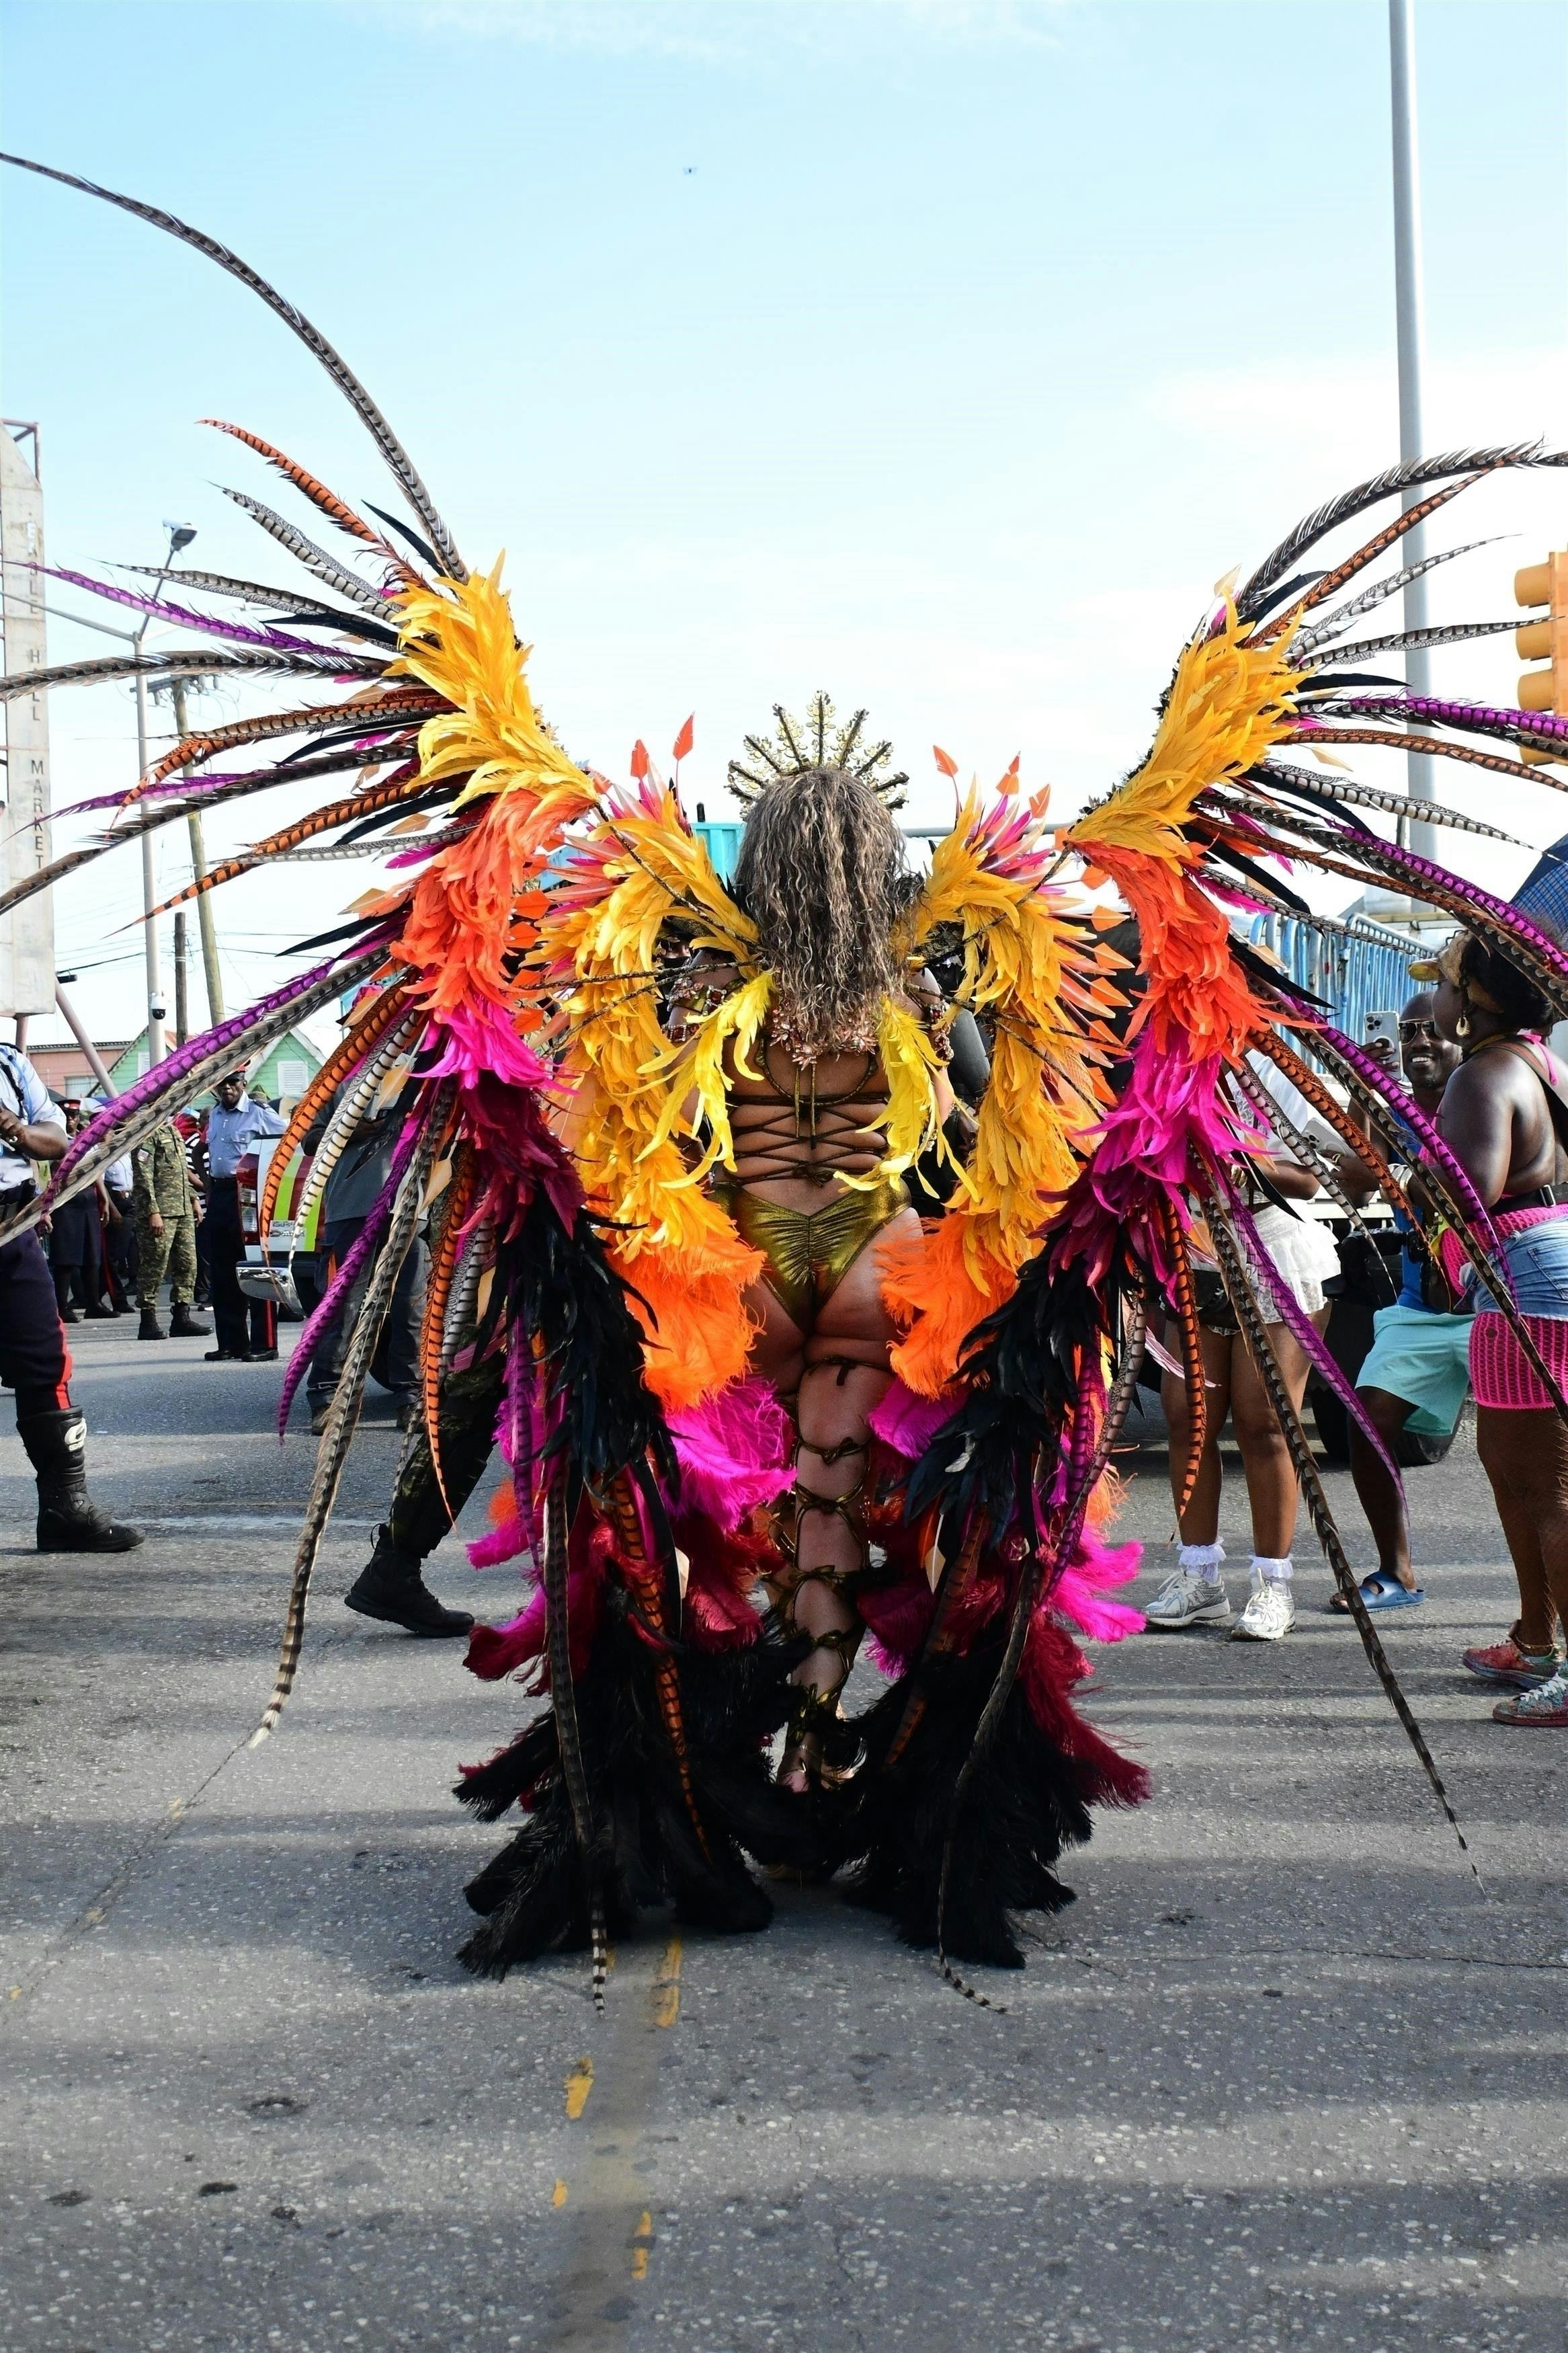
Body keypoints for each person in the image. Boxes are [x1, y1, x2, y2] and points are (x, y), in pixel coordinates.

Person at [1421, 932, 1568, 1727]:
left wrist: (1415, 1170)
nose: (1433, 1003)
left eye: (1441, 986)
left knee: (1544, 1486)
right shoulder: (1541, 1064)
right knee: (1510, 1469)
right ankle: (1534, 1638)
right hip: (1540, 1267)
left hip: (1523, 1280)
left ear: (1474, 999)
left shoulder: (1483, 1071)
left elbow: (1468, 1193)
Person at [1145, 1057, 1342, 1642]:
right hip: (1195, 1251)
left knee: (1264, 1424)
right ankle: (1199, 1577)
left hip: (1275, 1253)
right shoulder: (1161, 1064)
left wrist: (1224, 1156)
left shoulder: (1269, 1071)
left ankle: (1271, 1586)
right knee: (1186, 1418)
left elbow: (1307, 1179)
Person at [1327, 990, 1468, 1611]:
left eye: (1431, 1030)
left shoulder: (1485, 1098)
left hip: (1497, 1304)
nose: (1417, 1043)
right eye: (1407, 1031)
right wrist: (1365, 1089)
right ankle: (1397, 1571)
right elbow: (1358, 1179)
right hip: (1419, 1308)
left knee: (1525, 1455)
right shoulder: (1398, 1116)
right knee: (1368, 1420)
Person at [0, 1043, 141, 1550]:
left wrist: (10, 1126)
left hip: (11, 1227)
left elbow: (55, 1140)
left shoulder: (9, 1063)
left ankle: (64, 1510)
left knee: (45, 1362)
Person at [303, 1084, 427, 1436]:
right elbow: (310, 1141)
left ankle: (410, 1399)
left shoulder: (423, 1070)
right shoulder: (342, 1081)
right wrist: (349, 1130)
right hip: (351, 1209)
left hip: (409, 1209)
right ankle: (326, 1399)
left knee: (411, 1308)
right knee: (344, 1307)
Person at [203, 1071, 287, 1362]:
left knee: (255, 1266)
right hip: (221, 1194)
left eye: (232, 1083)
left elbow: (289, 1142)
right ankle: (231, 1342)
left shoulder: (259, 1114)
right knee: (223, 1271)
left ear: (243, 1084)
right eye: (221, 1083)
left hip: (250, 1194)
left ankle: (265, 1344)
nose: (226, 1088)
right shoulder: (215, 1115)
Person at [132, 1115, 210, 1341]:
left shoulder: (173, 1130)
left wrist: (194, 1199)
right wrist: (152, 1211)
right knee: (154, 1265)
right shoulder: (147, 1130)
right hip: (160, 1212)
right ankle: (148, 1321)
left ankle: (181, 1318)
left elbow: (179, 1171)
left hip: (182, 1209)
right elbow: (143, 1175)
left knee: (188, 1264)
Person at [46, 1103, 114, 1322]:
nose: (71, 1119)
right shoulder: (53, 1139)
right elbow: (53, 1169)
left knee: (92, 1255)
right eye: (67, 1114)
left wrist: (103, 1197)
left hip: (87, 1198)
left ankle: (93, 1303)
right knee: (66, 1257)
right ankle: (62, 1307)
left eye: (74, 1115)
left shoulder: (87, 1138)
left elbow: (95, 1170)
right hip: (65, 1200)